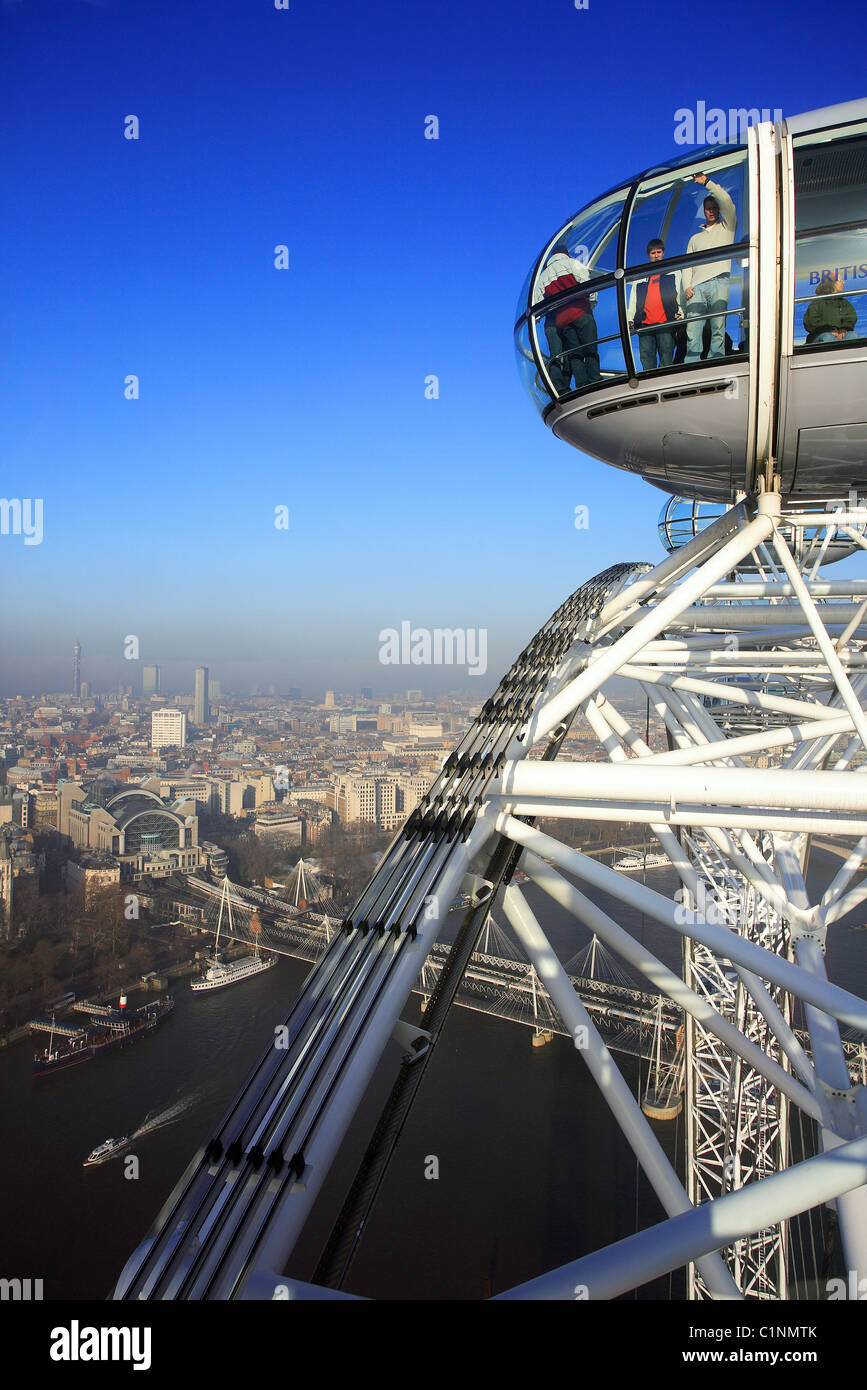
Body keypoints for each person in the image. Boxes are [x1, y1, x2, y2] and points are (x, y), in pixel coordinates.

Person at [681, 172, 737, 362]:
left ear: (719, 210)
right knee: (693, 329)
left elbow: (726, 201)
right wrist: (686, 286)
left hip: (719, 281)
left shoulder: (727, 227)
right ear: (704, 211)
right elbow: (687, 265)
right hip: (696, 288)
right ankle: (691, 363)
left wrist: (706, 182)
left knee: (718, 327)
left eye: (714, 208)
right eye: (708, 209)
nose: (711, 211)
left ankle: (716, 362)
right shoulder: (694, 238)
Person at [534, 243, 601, 391]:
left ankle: (582, 384)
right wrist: (591, 303)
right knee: (590, 347)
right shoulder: (572, 263)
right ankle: (595, 379)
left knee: (574, 352)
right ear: (566, 253)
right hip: (580, 311)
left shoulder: (544, 275)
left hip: (562, 320)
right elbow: (587, 282)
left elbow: (537, 303)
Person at [627, 238, 682, 370]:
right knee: (647, 360)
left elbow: (679, 293)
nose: (656, 255)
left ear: (663, 252)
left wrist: (681, 312)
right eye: (653, 253)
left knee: (666, 360)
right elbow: (633, 300)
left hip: (665, 323)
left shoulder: (673, 272)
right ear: (648, 255)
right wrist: (630, 319)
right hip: (645, 326)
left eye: (658, 252)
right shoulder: (641, 276)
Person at [804, 276, 859, 343]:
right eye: (840, 280)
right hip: (819, 335)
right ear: (832, 283)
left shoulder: (844, 302)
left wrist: (844, 329)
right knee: (828, 337)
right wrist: (829, 330)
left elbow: (851, 318)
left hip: (840, 334)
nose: (843, 282)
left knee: (853, 336)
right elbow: (811, 321)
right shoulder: (817, 302)